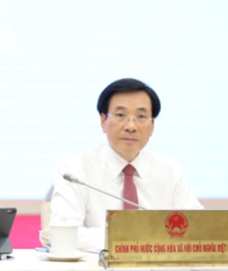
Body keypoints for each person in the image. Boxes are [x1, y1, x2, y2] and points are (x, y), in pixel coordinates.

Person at [50, 78, 203, 251]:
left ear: (152, 125)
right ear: (103, 121)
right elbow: (63, 233)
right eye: (120, 115)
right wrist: (130, 238)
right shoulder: (75, 170)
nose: (131, 126)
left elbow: (198, 227)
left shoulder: (170, 170)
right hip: (97, 267)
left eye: (141, 117)